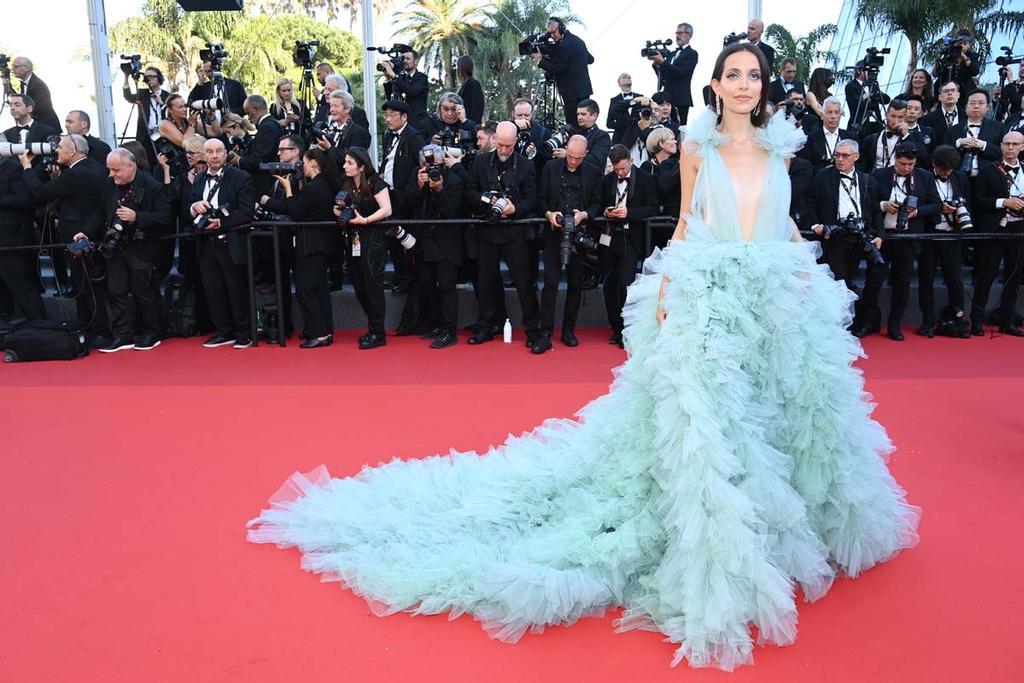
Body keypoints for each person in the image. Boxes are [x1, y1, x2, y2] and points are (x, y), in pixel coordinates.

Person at [248, 43, 919, 673]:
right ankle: (719, 543)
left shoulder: (783, 152)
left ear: (766, 86)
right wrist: (668, 290)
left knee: (791, 411)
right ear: (714, 85)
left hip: (778, 297)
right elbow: (689, 222)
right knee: (710, 428)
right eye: (733, 74)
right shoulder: (695, 145)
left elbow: (784, 219)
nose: (744, 85)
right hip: (710, 299)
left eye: (754, 75)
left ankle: (788, 522)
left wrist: (804, 265)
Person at [20, 134, 111, 345]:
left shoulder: (75, 174)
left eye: (60, 147)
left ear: (73, 151)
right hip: (92, 234)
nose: (56, 151)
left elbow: (39, 193)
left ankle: (94, 329)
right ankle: (95, 328)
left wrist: (26, 167)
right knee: (91, 284)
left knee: (84, 285)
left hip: (78, 237)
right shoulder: (96, 168)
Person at [463, 121, 540, 346]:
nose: (505, 150)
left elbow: (532, 198)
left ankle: (532, 330)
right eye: (501, 145)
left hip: (515, 233)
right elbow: (469, 191)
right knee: (485, 282)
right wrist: (486, 200)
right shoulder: (480, 161)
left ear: (516, 142)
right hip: (488, 230)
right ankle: (486, 326)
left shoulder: (526, 166)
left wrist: (514, 209)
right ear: (494, 139)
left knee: (524, 283)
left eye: (509, 145)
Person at [261, 147, 339, 349]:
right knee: (319, 289)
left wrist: (287, 187)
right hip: (320, 244)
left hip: (310, 245)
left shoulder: (315, 187)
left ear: (313, 163)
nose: (300, 166)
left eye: (303, 162)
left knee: (307, 290)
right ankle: (325, 331)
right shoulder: (322, 185)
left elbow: (294, 211)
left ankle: (320, 333)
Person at [98, 148, 173, 352]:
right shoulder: (108, 185)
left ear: (130, 166)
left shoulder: (152, 186)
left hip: (142, 247)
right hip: (115, 246)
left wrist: (137, 217)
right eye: (110, 170)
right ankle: (124, 334)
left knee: (144, 290)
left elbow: (165, 217)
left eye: (116, 170)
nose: (112, 174)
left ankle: (153, 330)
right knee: (116, 290)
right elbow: (101, 212)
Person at [869, 142, 942, 341]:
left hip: (908, 238)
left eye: (911, 164)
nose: (907, 168)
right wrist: (883, 205)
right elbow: (867, 203)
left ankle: (895, 324)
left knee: (902, 284)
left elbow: (936, 205)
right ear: (895, 160)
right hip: (883, 237)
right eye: (902, 164)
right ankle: (870, 321)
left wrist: (917, 212)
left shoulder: (924, 177)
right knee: (874, 282)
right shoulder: (880, 175)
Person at [536, 135, 602, 353]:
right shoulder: (551, 167)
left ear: (585, 155)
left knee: (575, 284)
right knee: (551, 285)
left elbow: (597, 202)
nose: (573, 161)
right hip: (554, 234)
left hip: (579, 235)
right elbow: (540, 199)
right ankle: (545, 332)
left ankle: (568, 330)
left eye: (578, 158)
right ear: (566, 150)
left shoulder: (592, 171)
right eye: (571, 157)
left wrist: (585, 214)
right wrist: (549, 214)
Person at [806, 139, 885, 319]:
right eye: (837, 155)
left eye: (845, 156)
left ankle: (865, 318)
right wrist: (815, 223)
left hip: (860, 236)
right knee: (839, 281)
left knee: (861, 275)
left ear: (856, 157)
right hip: (835, 236)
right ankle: (841, 322)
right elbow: (809, 201)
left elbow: (875, 210)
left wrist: (880, 235)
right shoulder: (822, 177)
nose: (839, 159)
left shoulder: (868, 181)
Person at [188, 138, 256, 348]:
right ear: (204, 155)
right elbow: (186, 208)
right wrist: (194, 207)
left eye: (219, 151)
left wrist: (222, 222)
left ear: (226, 154)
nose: (215, 155)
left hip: (231, 241)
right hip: (206, 243)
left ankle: (244, 332)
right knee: (213, 289)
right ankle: (224, 331)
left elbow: (247, 211)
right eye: (210, 152)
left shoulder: (241, 177)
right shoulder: (198, 180)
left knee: (236, 289)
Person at [597, 143, 659, 346]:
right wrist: (607, 212)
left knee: (626, 284)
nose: (620, 172)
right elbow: (598, 204)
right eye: (616, 170)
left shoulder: (646, 179)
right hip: (609, 237)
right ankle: (615, 328)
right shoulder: (607, 180)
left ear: (631, 161)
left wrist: (629, 213)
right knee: (609, 285)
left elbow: (652, 208)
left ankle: (629, 329)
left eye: (623, 168)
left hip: (631, 239)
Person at [406, 143, 466, 349]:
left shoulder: (454, 181)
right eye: (426, 166)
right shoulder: (417, 176)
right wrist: (418, 186)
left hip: (446, 243)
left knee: (447, 287)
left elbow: (452, 211)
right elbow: (406, 203)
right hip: (423, 241)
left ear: (444, 164)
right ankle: (436, 324)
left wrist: (439, 190)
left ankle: (450, 330)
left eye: (436, 166)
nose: (432, 170)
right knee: (427, 286)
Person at [336, 147, 393, 349]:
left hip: (372, 238)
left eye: (350, 163)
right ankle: (373, 328)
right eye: (345, 162)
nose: (345, 166)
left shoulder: (375, 182)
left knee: (372, 286)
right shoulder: (348, 184)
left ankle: (378, 332)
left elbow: (387, 209)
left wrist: (366, 220)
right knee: (359, 285)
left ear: (362, 166)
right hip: (353, 239)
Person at [969, 131, 1024, 336]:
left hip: (1019, 232)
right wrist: (1004, 202)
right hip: (994, 231)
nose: (1010, 148)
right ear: (1000, 146)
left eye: (1015, 144)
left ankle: (1007, 320)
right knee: (986, 276)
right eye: (1007, 143)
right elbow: (977, 201)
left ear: (1022, 147)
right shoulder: (987, 170)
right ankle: (976, 320)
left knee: (1014, 277)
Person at [921, 145, 971, 338]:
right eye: (942, 169)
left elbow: (969, 202)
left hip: (953, 236)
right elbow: (920, 205)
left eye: (949, 170)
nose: (946, 172)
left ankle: (958, 319)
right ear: (935, 165)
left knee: (955, 279)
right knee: (926, 279)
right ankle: (927, 321)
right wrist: (939, 209)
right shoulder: (924, 177)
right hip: (929, 235)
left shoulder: (961, 178)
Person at [0, 135, 46, 320]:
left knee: (22, 284)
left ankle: (39, 324)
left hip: (13, 238)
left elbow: (25, 199)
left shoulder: (13, 168)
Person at [531, 17, 595, 125]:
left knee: (574, 125)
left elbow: (558, 67)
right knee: (584, 124)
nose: (552, 36)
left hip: (572, 93)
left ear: (561, 28)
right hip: (583, 90)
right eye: (549, 33)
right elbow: (590, 59)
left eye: (554, 32)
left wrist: (540, 62)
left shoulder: (565, 44)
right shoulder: (577, 40)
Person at [943, 88, 1005, 178]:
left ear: (987, 107)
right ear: (966, 106)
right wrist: (958, 143)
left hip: (988, 178)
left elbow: (1003, 153)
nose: (976, 106)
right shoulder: (952, 130)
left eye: (981, 103)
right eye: (972, 103)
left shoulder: (999, 128)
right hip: (958, 178)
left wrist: (983, 145)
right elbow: (943, 154)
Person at [121, 65, 171, 166]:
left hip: (163, 135)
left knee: (163, 162)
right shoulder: (142, 94)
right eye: (147, 77)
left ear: (159, 78)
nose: (149, 79)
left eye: (152, 76)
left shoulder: (167, 96)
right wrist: (126, 77)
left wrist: (161, 102)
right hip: (146, 136)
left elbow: (171, 113)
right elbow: (128, 96)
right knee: (146, 163)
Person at [649, 23, 698, 125]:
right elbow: (664, 76)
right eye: (677, 33)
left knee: (680, 128)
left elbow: (680, 72)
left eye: (680, 33)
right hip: (666, 99)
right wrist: (656, 64)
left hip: (681, 99)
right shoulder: (671, 54)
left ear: (689, 34)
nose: (677, 36)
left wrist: (663, 62)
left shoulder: (692, 54)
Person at [800, 96, 854, 173]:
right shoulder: (810, 139)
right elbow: (805, 166)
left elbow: (860, 163)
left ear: (841, 115)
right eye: (829, 112)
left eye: (837, 112)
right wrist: (823, 171)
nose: (833, 116)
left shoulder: (851, 138)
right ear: (822, 115)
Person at [9, 57, 60, 132]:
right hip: (37, 127)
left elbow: (41, 108)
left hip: (47, 128)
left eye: (15, 67)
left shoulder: (38, 85)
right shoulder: (23, 83)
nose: (13, 69)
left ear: (26, 68)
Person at [381, 48, 429, 129]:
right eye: (402, 59)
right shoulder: (401, 78)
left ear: (416, 62)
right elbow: (391, 98)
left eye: (408, 58)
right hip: (401, 125)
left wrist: (394, 76)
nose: (404, 61)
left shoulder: (422, 78)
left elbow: (411, 91)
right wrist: (387, 78)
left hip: (417, 124)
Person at [606, 73, 643, 144]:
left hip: (637, 137)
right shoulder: (614, 100)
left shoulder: (640, 97)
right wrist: (623, 124)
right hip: (620, 138)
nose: (628, 77)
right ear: (619, 83)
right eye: (624, 77)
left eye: (629, 77)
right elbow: (609, 123)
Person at [456, 55, 485, 125]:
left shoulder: (473, 84)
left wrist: (470, 125)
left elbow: (477, 109)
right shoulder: (465, 85)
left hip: (469, 126)